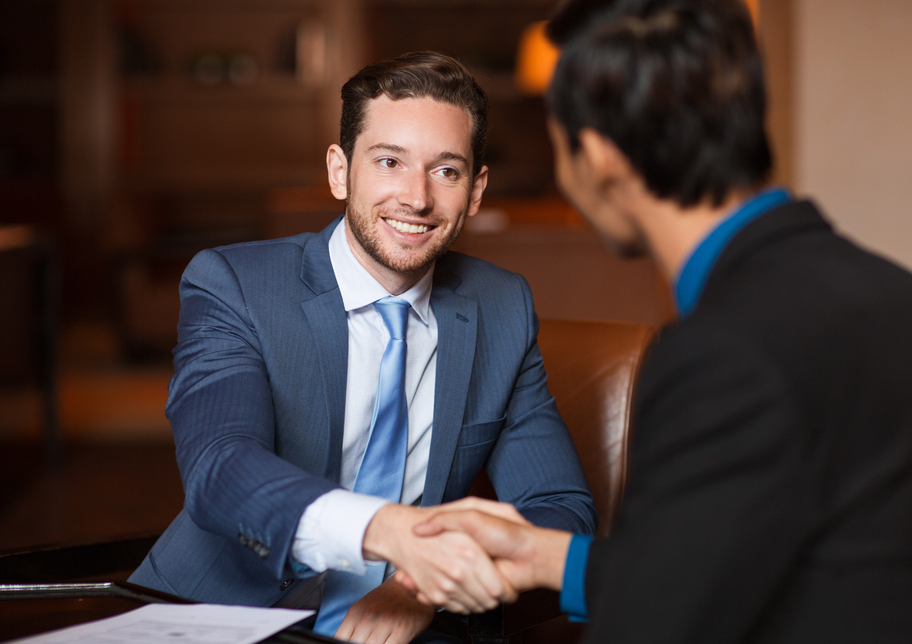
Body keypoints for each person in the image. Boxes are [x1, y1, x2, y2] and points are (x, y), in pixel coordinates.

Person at [403, 2, 912, 642]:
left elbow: (659, 626)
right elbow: (770, 566)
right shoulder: (905, 298)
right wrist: (545, 557)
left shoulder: (725, 352)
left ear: (599, 156)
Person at [128, 51, 596, 644]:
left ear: (476, 190)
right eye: (389, 162)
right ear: (340, 171)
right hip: (222, 618)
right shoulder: (236, 285)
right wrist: (387, 529)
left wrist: (419, 586)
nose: (417, 197)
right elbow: (220, 469)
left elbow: (560, 508)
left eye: (446, 171)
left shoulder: (504, 307)